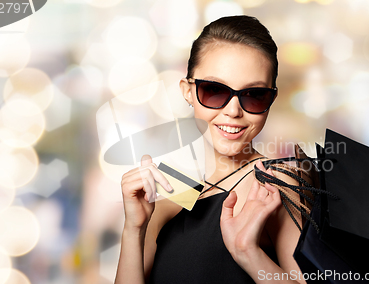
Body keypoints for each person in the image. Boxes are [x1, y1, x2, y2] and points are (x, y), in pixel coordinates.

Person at [115, 15, 305, 284]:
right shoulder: (171, 183)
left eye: (254, 95)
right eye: (214, 91)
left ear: (271, 99)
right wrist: (133, 229)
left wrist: (248, 252)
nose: (233, 111)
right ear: (188, 91)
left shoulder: (276, 184)